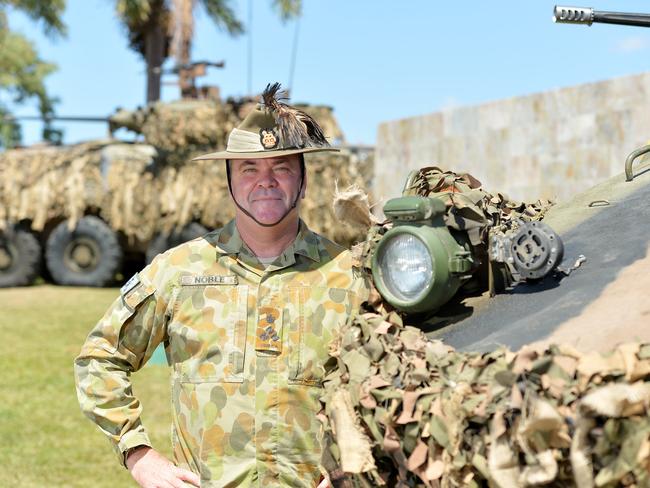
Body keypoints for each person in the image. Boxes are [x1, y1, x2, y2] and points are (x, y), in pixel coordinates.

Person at [74, 83, 368, 488]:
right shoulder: (179, 271)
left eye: (282, 168)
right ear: (229, 179)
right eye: (250, 168)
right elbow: (100, 358)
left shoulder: (348, 276)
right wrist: (139, 455)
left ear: (303, 180)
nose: (266, 181)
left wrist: (350, 472)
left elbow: (384, 383)